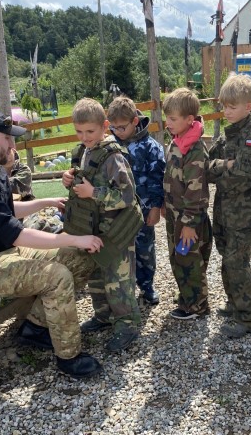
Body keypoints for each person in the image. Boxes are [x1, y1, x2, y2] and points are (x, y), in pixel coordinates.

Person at [0, 109, 103, 379]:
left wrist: (45, 202)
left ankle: (36, 327)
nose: (12, 145)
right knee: (57, 276)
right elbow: (17, 234)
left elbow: (5, 211)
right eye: (7, 138)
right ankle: (69, 357)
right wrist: (73, 238)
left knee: (80, 258)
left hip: (5, 252)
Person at [62, 98, 142, 352]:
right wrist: (69, 179)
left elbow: (127, 196)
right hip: (92, 229)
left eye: (90, 131)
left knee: (119, 281)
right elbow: (82, 181)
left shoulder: (113, 157)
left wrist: (94, 192)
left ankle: (127, 326)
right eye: (79, 131)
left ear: (105, 127)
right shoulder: (82, 152)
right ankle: (103, 316)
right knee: (96, 276)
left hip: (115, 231)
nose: (84, 137)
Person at [207, 74, 251, 338]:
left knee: (237, 263)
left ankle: (248, 318)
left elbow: (240, 179)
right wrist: (224, 165)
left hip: (242, 215)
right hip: (224, 211)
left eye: (232, 107)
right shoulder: (229, 135)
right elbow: (207, 168)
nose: (227, 111)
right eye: (224, 106)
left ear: (249, 106)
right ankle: (235, 302)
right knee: (227, 259)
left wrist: (221, 171)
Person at [107, 96, 166, 306]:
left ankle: (147, 286)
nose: (117, 131)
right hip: (117, 211)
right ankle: (123, 288)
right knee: (119, 250)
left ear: (134, 121)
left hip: (143, 211)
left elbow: (158, 179)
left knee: (145, 249)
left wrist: (156, 207)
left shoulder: (151, 147)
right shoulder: (111, 145)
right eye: (113, 127)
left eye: (122, 127)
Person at [162, 88, 212, 320]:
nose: (168, 123)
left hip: (188, 218)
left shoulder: (194, 149)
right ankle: (187, 295)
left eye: (173, 119)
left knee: (190, 260)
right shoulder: (178, 140)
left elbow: (196, 191)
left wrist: (190, 223)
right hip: (175, 215)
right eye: (167, 118)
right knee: (178, 258)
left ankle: (197, 306)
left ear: (189, 119)